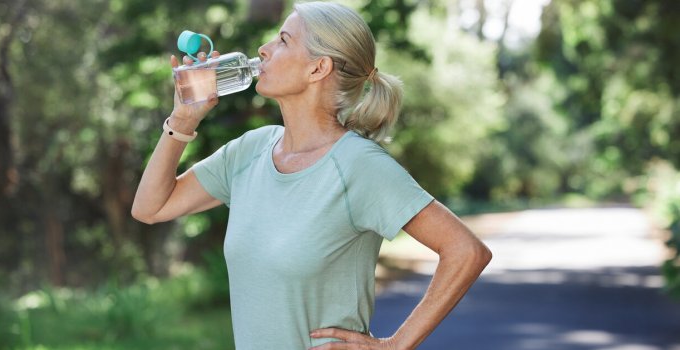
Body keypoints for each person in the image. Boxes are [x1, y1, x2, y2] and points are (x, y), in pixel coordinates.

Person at [132, 1, 492, 349]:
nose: (263, 49)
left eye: (284, 40)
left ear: (318, 69)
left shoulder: (358, 165)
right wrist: (182, 121)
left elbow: (466, 250)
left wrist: (395, 345)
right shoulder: (250, 150)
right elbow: (150, 208)